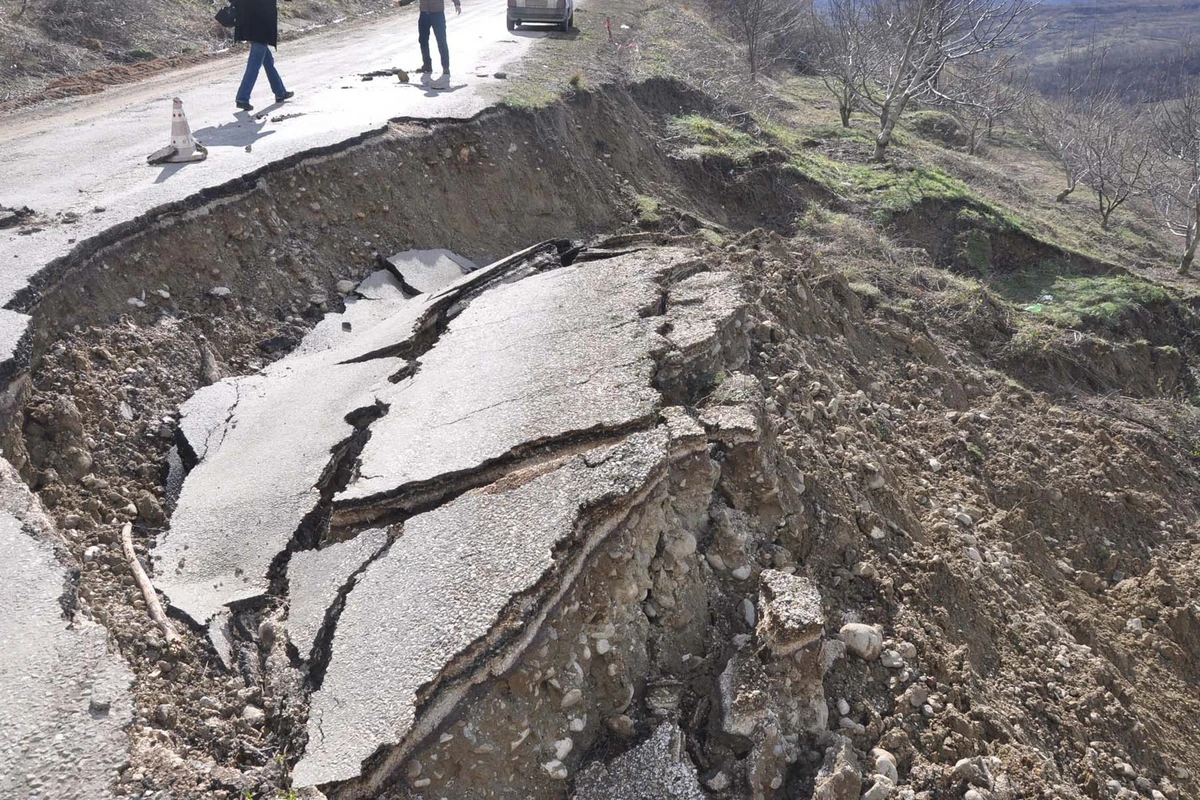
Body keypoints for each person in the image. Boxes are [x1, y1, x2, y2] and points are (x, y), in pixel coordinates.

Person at [234, 0, 296, 111]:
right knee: (254, 65)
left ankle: (280, 92)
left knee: (268, 61)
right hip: (261, 27)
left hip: (248, 25)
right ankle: (242, 98)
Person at [417, 0, 461, 90]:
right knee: (423, 40)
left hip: (437, 15)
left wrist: (457, 4)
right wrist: (401, 3)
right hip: (424, 15)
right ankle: (427, 66)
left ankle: (445, 67)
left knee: (441, 41)